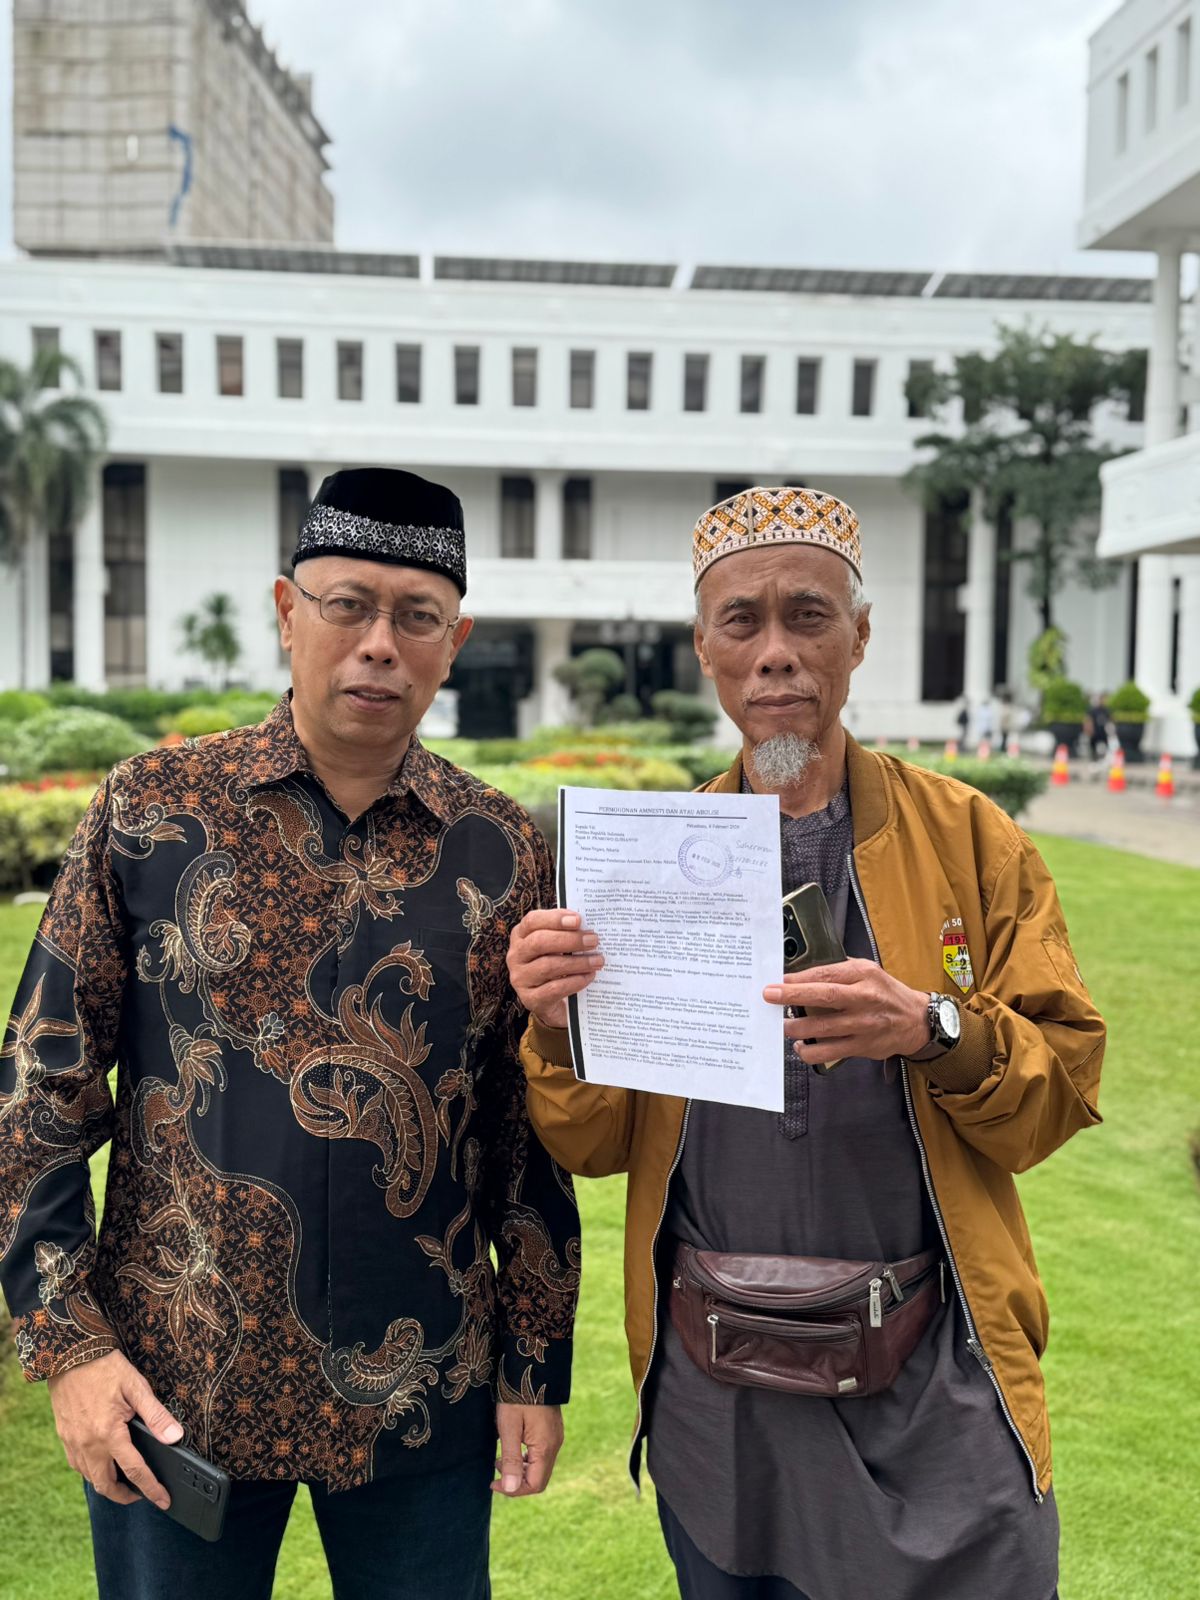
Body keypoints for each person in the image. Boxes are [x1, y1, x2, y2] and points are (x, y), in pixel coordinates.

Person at [507, 486, 1104, 1600]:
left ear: (860, 637)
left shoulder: (970, 840)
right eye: (742, 621)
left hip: (933, 1382)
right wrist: (555, 1025)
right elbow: (593, 1143)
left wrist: (931, 1026)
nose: (775, 651)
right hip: (722, 1396)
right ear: (705, 650)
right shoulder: (654, 860)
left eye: (809, 615)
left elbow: (1059, 1089)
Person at [0, 468, 580, 1600]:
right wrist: (69, 1346)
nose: (379, 644)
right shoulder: (153, 810)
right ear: (285, 611)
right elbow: (39, 1088)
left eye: (417, 617)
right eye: (347, 605)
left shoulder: (502, 851)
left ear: (454, 644)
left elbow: (525, 1129)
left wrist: (534, 1359)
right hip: (176, 1385)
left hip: (424, 1387)